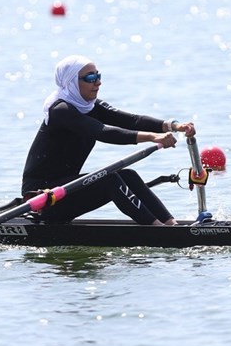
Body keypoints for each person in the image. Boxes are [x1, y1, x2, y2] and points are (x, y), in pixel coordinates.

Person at [22, 55, 196, 225]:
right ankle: (158, 231)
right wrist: (152, 137)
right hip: (41, 198)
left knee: (128, 175)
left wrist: (174, 126)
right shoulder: (61, 111)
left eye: (98, 76)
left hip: (67, 189)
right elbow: (103, 132)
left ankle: (171, 225)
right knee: (108, 179)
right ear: (71, 83)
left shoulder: (91, 105)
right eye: (90, 78)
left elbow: (132, 120)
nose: (98, 82)